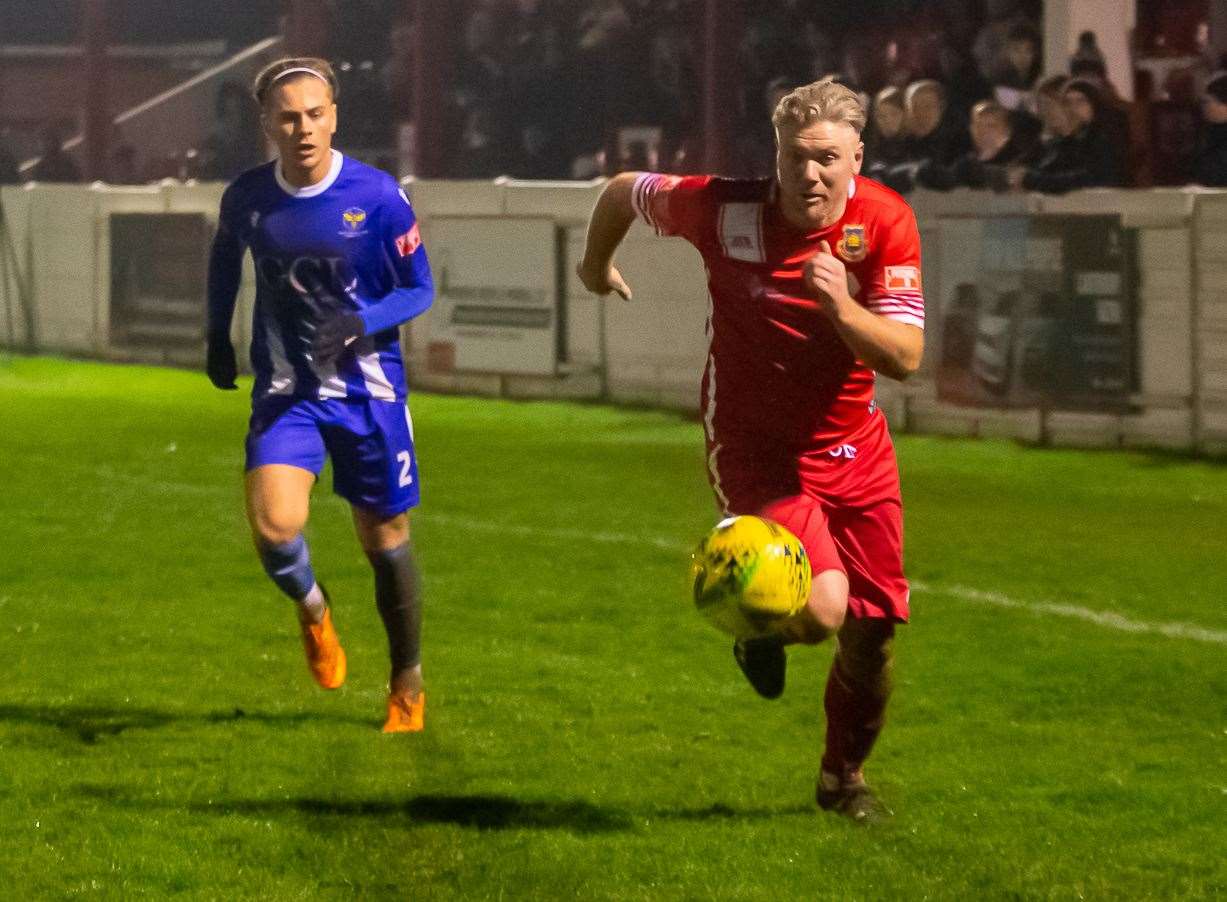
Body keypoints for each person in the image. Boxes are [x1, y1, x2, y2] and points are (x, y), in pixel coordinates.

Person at [578, 77, 924, 822]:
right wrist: (591, 266)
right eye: (796, 158)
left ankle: (841, 780)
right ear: (775, 154)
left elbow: (903, 357)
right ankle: (756, 618)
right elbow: (618, 191)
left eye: (828, 159)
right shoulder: (724, 206)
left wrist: (839, 305)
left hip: (855, 446)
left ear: (855, 157)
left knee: (874, 638)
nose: (810, 175)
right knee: (827, 611)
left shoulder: (885, 222)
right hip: (756, 447)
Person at [206, 57, 434, 733]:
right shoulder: (248, 198)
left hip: (368, 395)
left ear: (333, 114)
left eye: (315, 113)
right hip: (288, 392)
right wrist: (216, 334)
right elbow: (224, 255)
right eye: (288, 116)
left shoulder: (379, 195)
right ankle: (313, 611)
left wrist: (364, 321)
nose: (303, 128)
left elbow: (420, 286)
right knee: (275, 527)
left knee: (383, 537)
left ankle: (406, 682)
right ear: (268, 124)